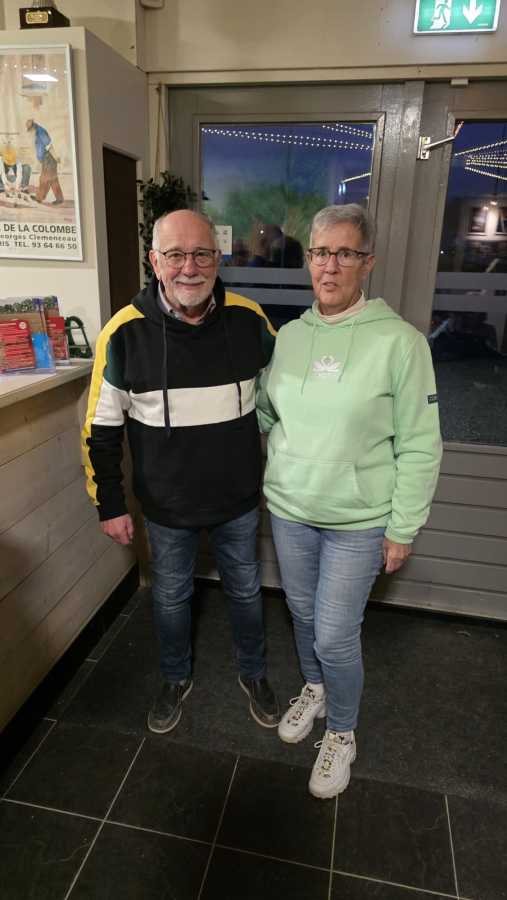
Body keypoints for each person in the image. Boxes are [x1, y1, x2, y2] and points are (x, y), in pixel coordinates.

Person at [257, 203, 442, 799]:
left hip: (359, 521)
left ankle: (342, 730)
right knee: (304, 616)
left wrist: (403, 527)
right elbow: (268, 413)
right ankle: (314, 689)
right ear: (308, 259)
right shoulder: (289, 338)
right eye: (320, 252)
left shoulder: (401, 343)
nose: (329, 266)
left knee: (336, 634)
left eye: (344, 253)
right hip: (291, 510)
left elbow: (420, 443)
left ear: (368, 262)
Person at [82, 209, 280, 734]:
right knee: (171, 598)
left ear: (218, 258)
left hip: (238, 499)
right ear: (155, 261)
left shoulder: (249, 320)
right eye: (175, 255)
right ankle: (175, 678)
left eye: (201, 254)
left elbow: (288, 395)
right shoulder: (123, 333)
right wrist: (110, 504)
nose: (188, 268)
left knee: (246, 592)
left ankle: (254, 672)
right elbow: (101, 429)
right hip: (166, 506)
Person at [25, 118, 64, 205]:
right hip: (46, 159)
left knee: (44, 179)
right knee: (52, 179)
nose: (30, 131)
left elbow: (49, 145)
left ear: (33, 127)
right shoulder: (37, 132)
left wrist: (55, 157)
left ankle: (40, 198)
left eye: (30, 129)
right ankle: (58, 198)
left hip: (49, 159)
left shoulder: (41, 132)